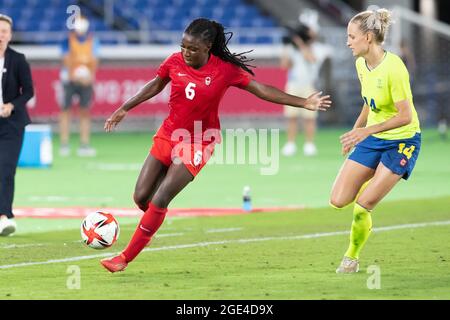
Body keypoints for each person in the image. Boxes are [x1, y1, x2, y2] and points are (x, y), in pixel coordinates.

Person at [100, 18, 332, 273]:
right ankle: (151, 224)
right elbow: (156, 85)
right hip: (168, 134)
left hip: (200, 140)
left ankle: (124, 258)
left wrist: (303, 102)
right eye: (184, 47)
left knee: (162, 196)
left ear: (208, 46)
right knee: (141, 197)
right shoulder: (174, 61)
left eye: (193, 49)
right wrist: (124, 108)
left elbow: (261, 89)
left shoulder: (225, 70)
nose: (186, 53)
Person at [330, 9, 421, 273]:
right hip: (373, 137)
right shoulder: (361, 64)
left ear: (368, 38)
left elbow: (405, 117)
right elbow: (368, 104)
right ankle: (374, 176)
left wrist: (366, 132)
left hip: (402, 140)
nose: (348, 42)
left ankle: (351, 258)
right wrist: (355, 132)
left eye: (351, 36)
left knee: (362, 206)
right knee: (337, 200)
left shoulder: (395, 69)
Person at [0, 14, 34, 236]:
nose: (0, 36)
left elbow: (29, 91)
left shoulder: (18, 59)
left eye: (4, 32)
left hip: (12, 124)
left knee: (5, 168)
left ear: (10, 35)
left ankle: (4, 216)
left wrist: (12, 105)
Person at [280, 16, 331, 157]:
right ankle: (290, 144)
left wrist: (301, 44)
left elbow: (312, 59)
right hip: (293, 84)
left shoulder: (318, 48)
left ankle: (309, 144)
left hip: (310, 86)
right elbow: (285, 65)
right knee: (292, 116)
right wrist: (286, 46)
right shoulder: (293, 48)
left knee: (310, 117)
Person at [59, 15, 99, 157]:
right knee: (65, 111)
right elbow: (65, 60)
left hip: (86, 81)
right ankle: (64, 144)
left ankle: (84, 144)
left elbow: (94, 61)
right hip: (69, 80)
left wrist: (89, 77)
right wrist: (73, 75)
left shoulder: (93, 41)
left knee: (85, 112)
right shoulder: (66, 40)